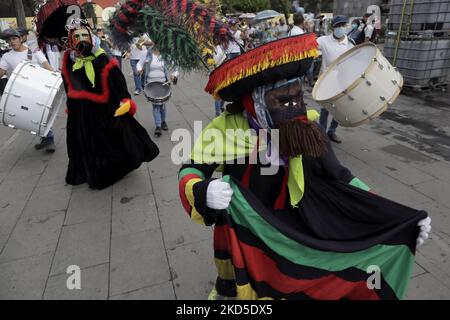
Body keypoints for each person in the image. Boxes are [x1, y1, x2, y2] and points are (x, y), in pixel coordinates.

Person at [179, 30, 432, 301]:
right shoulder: (225, 131)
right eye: (282, 100)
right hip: (244, 223)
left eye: (297, 96)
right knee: (231, 275)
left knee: (289, 280)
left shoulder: (307, 126)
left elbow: (341, 177)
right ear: (256, 103)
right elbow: (191, 170)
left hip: (291, 222)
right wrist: (203, 190)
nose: (294, 107)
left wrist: (394, 221)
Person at [0, 28, 56, 152]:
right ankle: (45, 138)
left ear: (20, 38)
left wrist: (57, 78)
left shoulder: (34, 51)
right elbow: (1, 72)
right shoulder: (7, 56)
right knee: (31, 116)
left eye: (14, 39)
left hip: (38, 88)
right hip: (20, 92)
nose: (12, 42)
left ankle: (49, 138)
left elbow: (46, 65)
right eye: (9, 41)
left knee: (41, 112)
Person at [317, 15, 354, 144]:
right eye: (338, 26)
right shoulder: (323, 41)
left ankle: (331, 131)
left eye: (343, 25)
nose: (340, 28)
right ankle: (321, 133)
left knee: (339, 108)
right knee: (325, 108)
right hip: (327, 81)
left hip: (343, 81)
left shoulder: (350, 44)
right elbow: (309, 47)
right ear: (333, 27)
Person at [137, 46, 178, 137]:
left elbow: (175, 67)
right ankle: (158, 126)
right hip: (151, 84)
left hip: (163, 83)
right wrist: (139, 69)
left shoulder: (166, 54)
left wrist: (174, 75)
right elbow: (139, 64)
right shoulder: (147, 53)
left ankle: (163, 121)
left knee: (162, 105)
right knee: (155, 105)